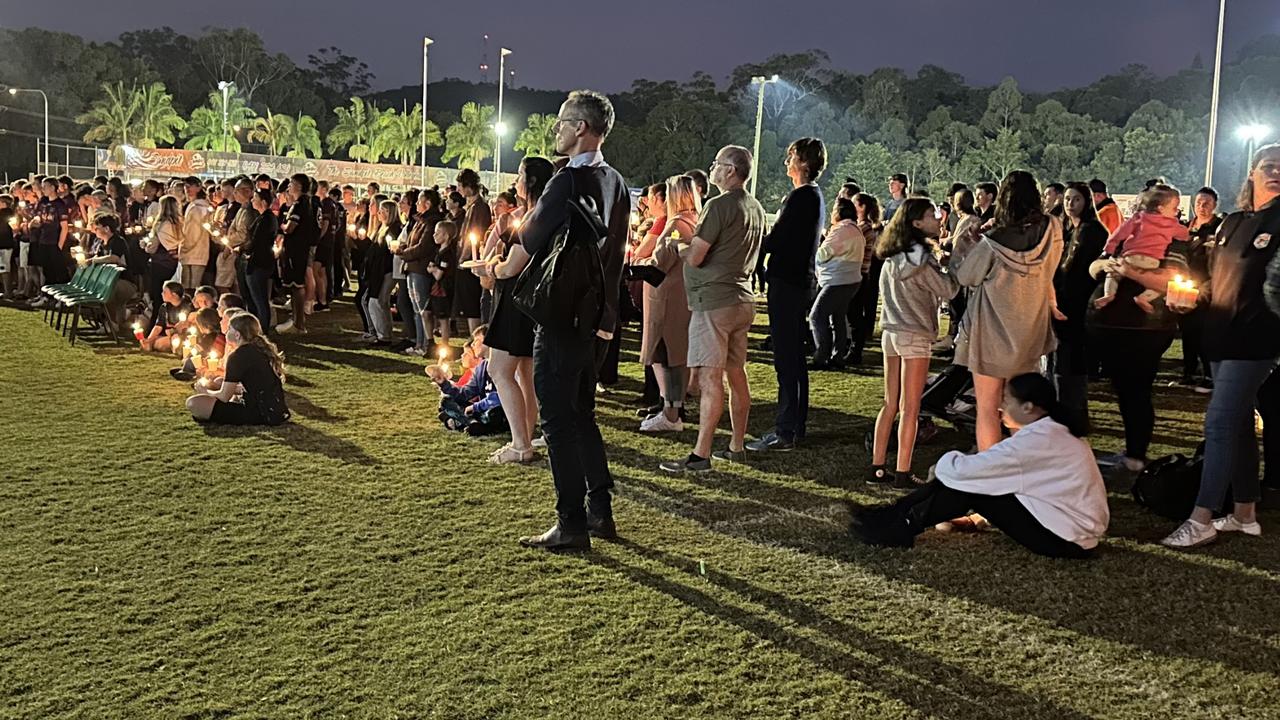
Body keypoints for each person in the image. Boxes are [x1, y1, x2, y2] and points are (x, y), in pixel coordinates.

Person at [500, 90, 629, 551]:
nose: (556, 130)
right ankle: (600, 511)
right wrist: (608, 318)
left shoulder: (566, 180)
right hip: (594, 316)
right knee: (582, 415)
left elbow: (526, 246)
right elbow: (616, 257)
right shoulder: (614, 180)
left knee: (556, 421)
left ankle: (571, 521)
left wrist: (496, 270)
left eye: (561, 122)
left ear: (580, 128)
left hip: (559, 314)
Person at [1162, 144, 1280, 549]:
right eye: (1268, 166)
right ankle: (1245, 512)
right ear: (1252, 172)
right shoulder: (1231, 222)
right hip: (1220, 336)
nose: (1276, 172)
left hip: (1257, 340)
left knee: (1218, 422)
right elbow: (1218, 282)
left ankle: (1203, 516)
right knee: (1240, 425)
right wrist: (1190, 296)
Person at [852, 373, 1108, 559]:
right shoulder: (1054, 432)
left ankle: (901, 522)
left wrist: (945, 462)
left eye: (1007, 401)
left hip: (1065, 538)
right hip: (1072, 532)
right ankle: (896, 515)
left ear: (1028, 408)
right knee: (970, 481)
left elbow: (965, 472)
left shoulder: (1039, 441)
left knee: (971, 486)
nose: (1000, 406)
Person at [659, 145, 766, 473]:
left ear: (731, 171)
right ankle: (736, 445)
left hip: (714, 301)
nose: (713, 168)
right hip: (742, 298)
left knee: (710, 378)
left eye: (717, 164)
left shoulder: (720, 205)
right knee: (736, 373)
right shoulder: (756, 206)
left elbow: (697, 255)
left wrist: (678, 246)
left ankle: (701, 454)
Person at [953, 171, 1064, 451]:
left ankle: (992, 468)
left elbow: (966, 276)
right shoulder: (1053, 228)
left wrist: (969, 245)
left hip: (991, 334)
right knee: (1020, 411)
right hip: (1030, 331)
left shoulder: (993, 241)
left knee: (988, 409)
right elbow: (1052, 267)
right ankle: (1020, 464)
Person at [868, 198, 958, 486]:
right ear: (917, 223)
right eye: (932, 214)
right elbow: (949, 290)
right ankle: (903, 471)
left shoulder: (892, 256)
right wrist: (953, 265)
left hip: (890, 333)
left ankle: (878, 467)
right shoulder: (921, 262)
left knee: (889, 403)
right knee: (911, 408)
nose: (938, 218)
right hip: (915, 334)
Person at [747, 138, 826, 452]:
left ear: (804, 162)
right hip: (796, 281)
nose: (786, 163)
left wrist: (753, 248)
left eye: (791, 157)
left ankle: (786, 429)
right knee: (792, 357)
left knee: (787, 358)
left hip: (790, 283)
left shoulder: (802, 197)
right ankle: (792, 426)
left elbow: (778, 240)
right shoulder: (810, 197)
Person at [487, 157, 556, 463]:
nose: (515, 181)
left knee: (499, 370)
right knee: (526, 374)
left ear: (530, 183)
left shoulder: (533, 219)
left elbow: (511, 267)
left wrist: (491, 266)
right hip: (531, 304)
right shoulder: (547, 217)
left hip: (515, 303)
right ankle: (525, 436)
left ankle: (520, 444)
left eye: (519, 176)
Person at [633, 175, 700, 433]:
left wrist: (637, 266)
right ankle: (671, 408)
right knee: (676, 355)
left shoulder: (675, 224)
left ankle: (671, 413)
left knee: (668, 355)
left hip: (666, 298)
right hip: (682, 295)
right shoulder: (695, 221)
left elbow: (661, 260)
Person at [1052, 182, 1107, 430]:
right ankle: (1062, 408)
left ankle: (1073, 412)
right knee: (1060, 357)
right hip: (1062, 299)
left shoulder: (1091, 231)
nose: (1069, 204)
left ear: (1086, 202)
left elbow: (1077, 270)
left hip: (1078, 302)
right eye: (1066, 199)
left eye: (1075, 199)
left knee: (1071, 358)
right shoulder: (1065, 229)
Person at [1093, 184, 1188, 314]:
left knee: (1113, 275)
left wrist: (1112, 254)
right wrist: (1104, 264)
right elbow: (1185, 234)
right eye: (1175, 208)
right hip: (1152, 262)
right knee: (1156, 289)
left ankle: (1108, 294)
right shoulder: (1171, 224)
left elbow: (1118, 234)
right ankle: (1143, 298)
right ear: (1161, 208)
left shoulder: (1138, 218)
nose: (1176, 211)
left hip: (1130, 257)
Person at [186, 312, 290, 425]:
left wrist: (205, 391)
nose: (226, 331)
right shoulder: (260, 349)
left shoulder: (238, 356)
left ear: (237, 335)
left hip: (261, 412)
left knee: (193, 402)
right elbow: (257, 384)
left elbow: (224, 396)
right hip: (276, 409)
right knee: (218, 382)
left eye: (229, 328)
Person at [1176, 186, 1223, 392]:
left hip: (1207, 287)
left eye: (1207, 204)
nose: (1202, 207)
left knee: (1204, 331)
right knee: (1187, 330)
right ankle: (1188, 373)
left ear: (1214, 206)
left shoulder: (1219, 228)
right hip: (1184, 285)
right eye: (1198, 203)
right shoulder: (1186, 228)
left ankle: (1208, 375)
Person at [810, 196, 864, 369]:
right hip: (851, 280)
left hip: (836, 280)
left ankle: (821, 355)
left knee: (817, 316)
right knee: (838, 318)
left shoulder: (841, 230)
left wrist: (820, 244)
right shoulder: (856, 230)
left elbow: (823, 254)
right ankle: (837, 356)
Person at [428, 325, 507, 436]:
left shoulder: (503, 364)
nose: (473, 344)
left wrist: (475, 407)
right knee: (447, 401)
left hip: (497, 410)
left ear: (488, 341)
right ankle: (473, 423)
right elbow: (464, 393)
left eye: (477, 341)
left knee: (495, 412)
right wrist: (444, 383)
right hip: (483, 410)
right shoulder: (481, 367)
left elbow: (498, 397)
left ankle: (469, 423)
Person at [935, 187, 982, 352]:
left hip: (963, 270)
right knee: (956, 306)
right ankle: (954, 339)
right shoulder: (965, 219)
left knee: (960, 307)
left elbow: (961, 244)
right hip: (958, 267)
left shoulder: (971, 220)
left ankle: (958, 342)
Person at [399, 189, 443, 357]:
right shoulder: (421, 220)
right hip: (412, 267)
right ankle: (419, 343)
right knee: (416, 309)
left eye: (419, 201)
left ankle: (425, 343)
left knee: (422, 308)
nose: (416, 204)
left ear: (428, 203)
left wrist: (404, 253)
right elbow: (413, 241)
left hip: (421, 268)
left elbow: (423, 247)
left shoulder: (430, 222)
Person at [843, 192, 883, 366]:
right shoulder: (863, 226)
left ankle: (855, 350)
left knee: (855, 314)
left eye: (855, 203)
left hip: (859, 273)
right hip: (860, 273)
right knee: (853, 313)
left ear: (862, 207)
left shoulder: (864, 228)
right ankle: (852, 348)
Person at [277, 174, 319, 334]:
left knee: (297, 285)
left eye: (292, 184)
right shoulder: (305, 203)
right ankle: (296, 320)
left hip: (297, 249)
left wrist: (282, 225)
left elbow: (290, 227)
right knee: (294, 285)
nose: (289, 187)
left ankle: (299, 323)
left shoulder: (300, 204)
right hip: (298, 248)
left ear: (300, 187)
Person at [140, 195, 183, 335]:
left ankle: (155, 328)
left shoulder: (162, 225)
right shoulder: (179, 223)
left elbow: (156, 246)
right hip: (172, 262)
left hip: (160, 263)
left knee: (159, 297)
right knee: (169, 295)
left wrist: (146, 245)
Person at [454, 169, 491, 333]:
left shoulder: (480, 207)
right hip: (466, 259)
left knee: (472, 306)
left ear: (468, 186)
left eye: (460, 186)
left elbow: (474, 235)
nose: (458, 190)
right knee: (468, 307)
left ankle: (475, 345)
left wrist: (463, 259)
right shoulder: (471, 207)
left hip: (471, 262)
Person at [362, 199, 401, 346]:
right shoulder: (381, 228)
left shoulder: (393, 229)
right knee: (379, 301)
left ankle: (384, 335)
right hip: (379, 270)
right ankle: (383, 333)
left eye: (383, 211)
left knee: (378, 300)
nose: (379, 213)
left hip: (387, 269)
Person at [178, 177, 212, 291]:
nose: (187, 189)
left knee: (191, 286)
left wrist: (184, 246)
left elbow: (193, 231)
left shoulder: (198, 207)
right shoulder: (196, 205)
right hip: (197, 251)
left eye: (190, 186)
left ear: (198, 187)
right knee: (189, 284)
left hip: (194, 250)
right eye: (185, 187)